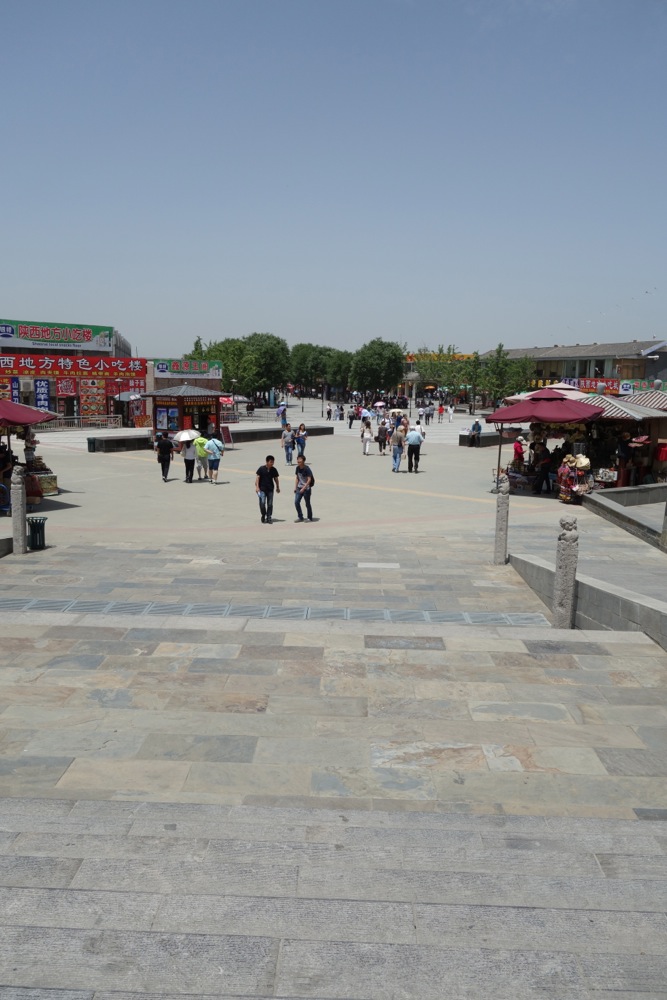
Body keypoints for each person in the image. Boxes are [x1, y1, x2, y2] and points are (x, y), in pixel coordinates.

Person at [255, 454, 280, 524]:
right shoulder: (261, 469)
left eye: (273, 462)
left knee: (270, 504)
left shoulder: (274, 469)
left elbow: (276, 479)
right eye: (271, 462)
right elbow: (257, 478)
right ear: (267, 462)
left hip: (270, 489)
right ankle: (263, 514)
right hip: (262, 489)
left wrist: (277, 487)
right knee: (262, 503)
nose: (272, 463)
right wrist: (257, 487)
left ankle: (269, 517)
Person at [294, 454, 314, 521]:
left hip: (306, 489)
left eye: (300, 459)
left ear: (303, 461)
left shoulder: (307, 469)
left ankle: (309, 517)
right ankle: (300, 517)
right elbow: (297, 478)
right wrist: (295, 487)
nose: (298, 461)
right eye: (298, 459)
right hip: (299, 488)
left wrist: (304, 488)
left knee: (307, 503)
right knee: (296, 502)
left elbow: (309, 479)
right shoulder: (297, 468)